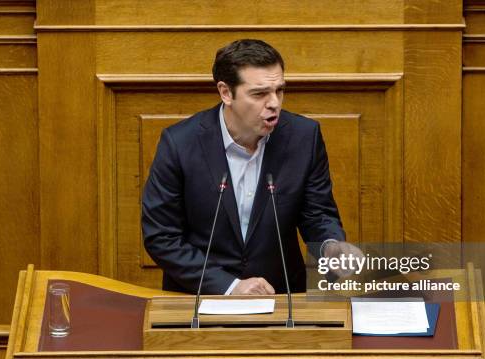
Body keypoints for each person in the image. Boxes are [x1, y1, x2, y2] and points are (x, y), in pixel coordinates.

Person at [142, 39, 360, 295]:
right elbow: (161, 237)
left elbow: (318, 215)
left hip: (281, 298)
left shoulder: (304, 137)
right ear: (226, 93)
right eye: (259, 94)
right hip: (200, 300)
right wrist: (229, 286)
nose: (274, 103)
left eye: (279, 90)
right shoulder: (180, 143)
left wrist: (330, 246)